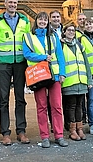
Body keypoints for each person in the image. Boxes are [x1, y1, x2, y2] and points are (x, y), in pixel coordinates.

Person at [0, 0, 31, 146]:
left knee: (20, 98)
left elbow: (28, 40)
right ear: (5, 4)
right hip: (3, 64)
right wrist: (1, 57)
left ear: (17, 4)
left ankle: (21, 131)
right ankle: (5, 133)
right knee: (4, 99)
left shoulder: (25, 20)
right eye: (10, 2)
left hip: (20, 63)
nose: (12, 5)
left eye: (15, 2)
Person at [23, 12, 68, 148]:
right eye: (40, 19)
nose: (42, 22)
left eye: (45, 20)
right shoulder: (28, 37)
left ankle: (59, 135)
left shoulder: (54, 36)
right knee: (41, 107)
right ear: (36, 21)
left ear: (47, 22)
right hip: (39, 76)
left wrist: (62, 73)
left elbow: (60, 56)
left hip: (54, 76)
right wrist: (43, 57)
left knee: (57, 106)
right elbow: (27, 54)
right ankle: (45, 137)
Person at [61, 24, 93, 141]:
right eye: (68, 30)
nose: (71, 32)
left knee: (80, 106)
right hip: (69, 82)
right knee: (71, 106)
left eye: (73, 30)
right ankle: (72, 130)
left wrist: (89, 80)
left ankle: (79, 128)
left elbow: (86, 63)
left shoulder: (79, 45)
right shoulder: (61, 45)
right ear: (64, 32)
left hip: (81, 81)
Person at [75, 13, 87, 124]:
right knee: (81, 97)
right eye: (80, 19)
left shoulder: (92, 33)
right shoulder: (74, 34)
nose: (82, 21)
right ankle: (82, 117)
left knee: (92, 97)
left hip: (91, 67)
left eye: (84, 19)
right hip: (79, 67)